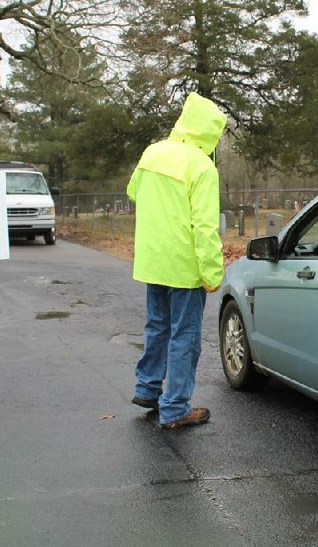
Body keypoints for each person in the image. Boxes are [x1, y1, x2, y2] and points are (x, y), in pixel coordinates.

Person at [127, 92, 226, 429]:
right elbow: (205, 226)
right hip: (185, 266)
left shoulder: (152, 153)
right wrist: (212, 272)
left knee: (157, 326)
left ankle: (148, 388)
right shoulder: (202, 166)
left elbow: (133, 192)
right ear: (209, 132)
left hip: (153, 260)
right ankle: (176, 408)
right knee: (185, 336)